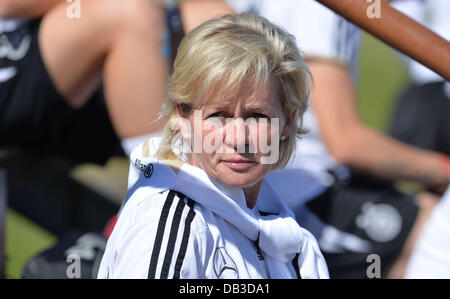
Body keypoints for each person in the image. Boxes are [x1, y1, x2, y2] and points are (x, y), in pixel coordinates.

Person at [225, 0, 450, 278]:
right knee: (432, 228)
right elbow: (347, 144)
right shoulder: (320, 10)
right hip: (296, 194)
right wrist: (442, 170)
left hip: (286, 180)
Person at [97, 13, 329, 279]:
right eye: (219, 115)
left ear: (286, 123)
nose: (238, 138)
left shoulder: (294, 242)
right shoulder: (167, 223)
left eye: (257, 116)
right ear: (183, 117)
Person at [0, 0, 234, 164]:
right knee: (130, 11)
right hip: (14, 53)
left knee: (222, 26)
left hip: (68, 48)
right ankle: (161, 189)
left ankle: (247, 210)